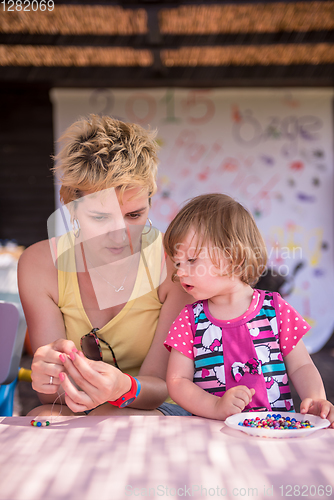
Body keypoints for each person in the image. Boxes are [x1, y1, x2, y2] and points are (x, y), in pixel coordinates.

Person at [18, 114, 193, 416]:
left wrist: (122, 388)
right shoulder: (40, 265)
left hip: (159, 409)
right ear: (71, 208)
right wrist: (50, 378)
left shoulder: (174, 263)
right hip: (79, 407)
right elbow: (51, 398)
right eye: (100, 218)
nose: (121, 236)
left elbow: (161, 387)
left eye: (134, 215)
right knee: (40, 417)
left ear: (150, 202)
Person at [163, 193, 334, 426]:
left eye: (191, 260)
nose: (180, 271)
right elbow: (177, 381)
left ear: (233, 256)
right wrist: (215, 406)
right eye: (177, 262)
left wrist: (315, 399)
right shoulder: (189, 319)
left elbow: (302, 365)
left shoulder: (275, 309)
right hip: (211, 433)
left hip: (275, 432)